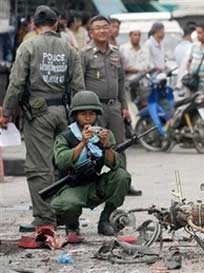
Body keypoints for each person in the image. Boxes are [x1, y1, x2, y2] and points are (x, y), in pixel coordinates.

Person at [0, 5, 84, 230]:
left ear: (34, 25)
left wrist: (6, 113)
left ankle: (45, 218)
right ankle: (66, 215)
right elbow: (79, 86)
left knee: (39, 167)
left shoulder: (28, 46)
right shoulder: (69, 49)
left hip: (38, 115)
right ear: (56, 24)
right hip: (64, 113)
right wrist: (80, 119)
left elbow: (16, 83)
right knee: (63, 164)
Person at [50, 91, 131, 242]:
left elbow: (115, 165)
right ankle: (72, 226)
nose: (88, 117)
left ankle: (106, 218)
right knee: (67, 204)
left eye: (92, 114)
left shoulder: (102, 134)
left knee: (122, 176)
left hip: (94, 184)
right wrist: (82, 143)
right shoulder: (66, 136)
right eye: (83, 114)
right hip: (72, 187)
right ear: (75, 115)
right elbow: (61, 161)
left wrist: (106, 146)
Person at [80, 15, 141, 196]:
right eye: (98, 28)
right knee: (92, 146)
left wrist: (124, 106)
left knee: (119, 146)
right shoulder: (84, 54)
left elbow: (121, 81)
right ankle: (92, 185)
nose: (102, 31)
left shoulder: (116, 53)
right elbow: (79, 83)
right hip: (94, 109)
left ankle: (123, 181)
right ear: (91, 32)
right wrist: (83, 110)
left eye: (105, 27)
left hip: (114, 107)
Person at [120, 27, 152, 108]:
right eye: (135, 35)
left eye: (139, 35)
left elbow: (149, 65)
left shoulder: (145, 49)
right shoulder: (123, 49)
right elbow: (121, 67)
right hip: (128, 81)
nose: (137, 37)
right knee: (130, 105)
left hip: (142, 81)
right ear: (130, 36)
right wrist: (135, 70)